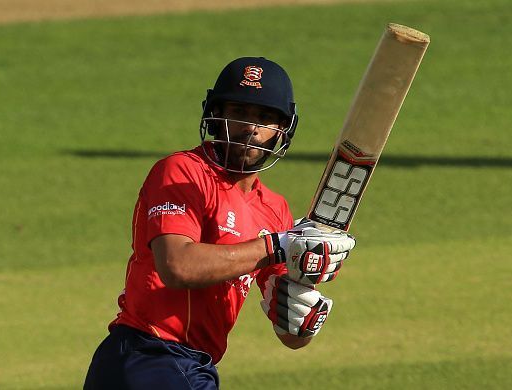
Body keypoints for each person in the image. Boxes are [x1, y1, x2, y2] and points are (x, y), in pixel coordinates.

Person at [83, 57, 356, 389]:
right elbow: (177, 266)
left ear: (282, 130)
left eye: (265, 117)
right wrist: (279, 245)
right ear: (216, 116)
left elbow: (290, 336)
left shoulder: (275, 209)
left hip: (190, 366)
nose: (250, 127)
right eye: (239, 112)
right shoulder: (182, 172)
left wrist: (301, 311)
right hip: (148, 355)